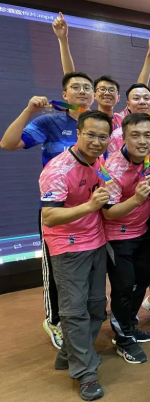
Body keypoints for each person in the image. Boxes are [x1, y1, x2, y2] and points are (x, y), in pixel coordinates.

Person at [1, 71, 96, 350]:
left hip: (91, 210)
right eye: (75, 87)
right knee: (56, 273)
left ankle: (80, 319)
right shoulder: (49, 122)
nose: (82, 91)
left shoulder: (98, 124)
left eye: (87, 87)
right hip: (57, 211)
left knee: (87, 271)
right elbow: (8, 143)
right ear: (64, 95)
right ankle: (54, 321)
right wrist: (28, 111)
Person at [39, 110, 112, 401]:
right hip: (68, 247)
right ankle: (85, 373)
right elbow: (49, 216)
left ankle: (68, 354)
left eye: (103, 137)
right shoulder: (58, 169)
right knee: (74, 311)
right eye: (90, 135)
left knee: (96, 306)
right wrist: (90, 206)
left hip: (96, 241)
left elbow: (106, 188)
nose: (96, 141)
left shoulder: (99, 161)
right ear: (78, 133)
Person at [103, 113, 150, 364]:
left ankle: (129, 325)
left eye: (148, 135)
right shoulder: (113, 169)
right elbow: (108, 212)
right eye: (135, 135)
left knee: (142, 279)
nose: (142, 141)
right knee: (124, 286)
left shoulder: (148, 158)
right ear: (123, 137)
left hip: (142, 232)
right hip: (117, 237)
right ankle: (123, 338)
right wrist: (136, 199)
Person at [52, 12, 150, 130]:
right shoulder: (87, 117)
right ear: (94, 95)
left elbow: (140, 88)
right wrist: (63, 39)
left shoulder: (123, 120)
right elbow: (71, 79)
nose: (107, 93)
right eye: (102, 89)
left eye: (112, 90)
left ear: (118, 97)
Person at [107, 83, 150, 155]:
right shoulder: (117, 135)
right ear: (128, 105)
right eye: (136, 98)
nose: (142, 102)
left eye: (146, 98)